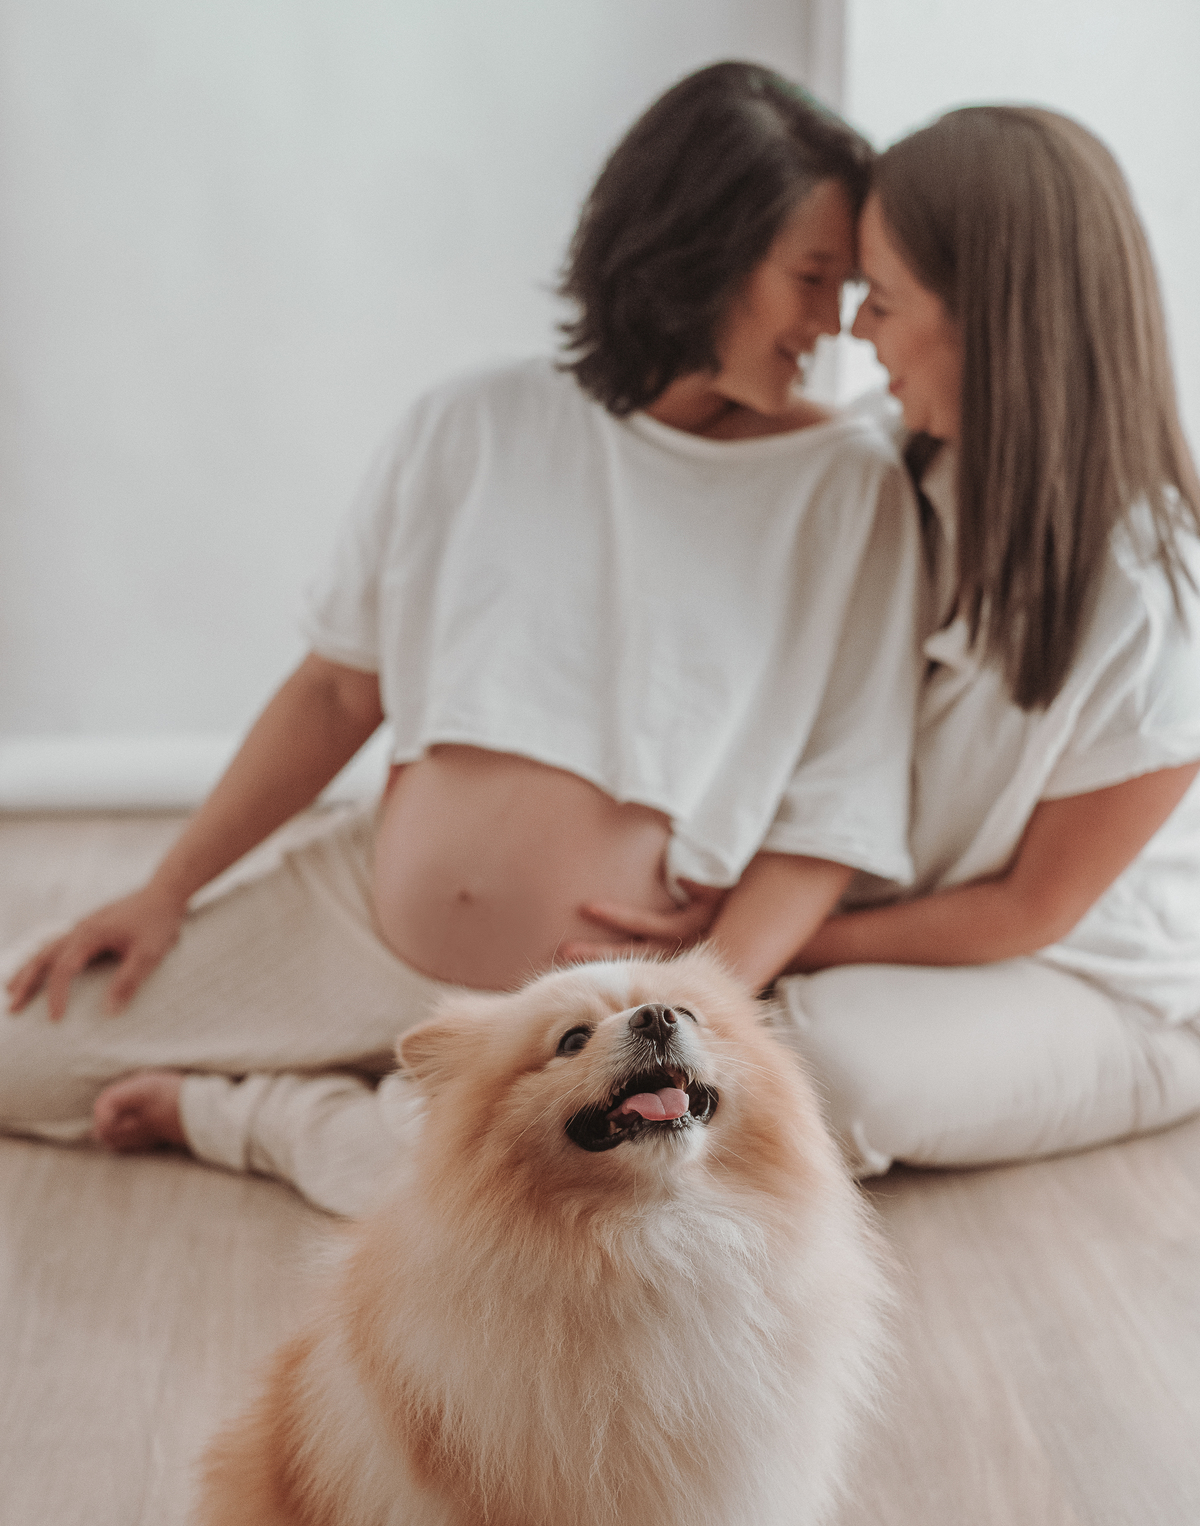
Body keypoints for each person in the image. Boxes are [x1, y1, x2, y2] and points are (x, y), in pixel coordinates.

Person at [0, 63, 923, 1215]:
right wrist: (165, 890)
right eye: (812, 279)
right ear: (701, 247)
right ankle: (374, 1073)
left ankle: (255, 1110)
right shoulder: (476, 421)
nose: (832, 324)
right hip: (357, 916)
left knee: (503, 1201)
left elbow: (834, 814)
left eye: (849, 288)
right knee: (17, 1052)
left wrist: (706, 992)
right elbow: (337, 692)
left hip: (585, 1023)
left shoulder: (845, 490)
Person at [580, 105, 1200, 1176]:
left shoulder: (1153, 603)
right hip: (900, 929)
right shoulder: (898, 462)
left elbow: (1032, 909)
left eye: (882, 297)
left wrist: (755, 947)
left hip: (1094, 981)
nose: (855, 331)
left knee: (811, 1069)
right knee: (637, 1013)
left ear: (991, 321)